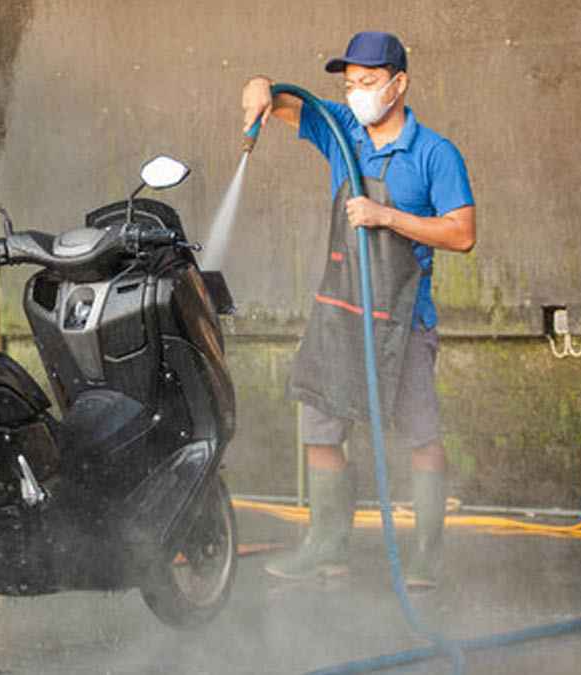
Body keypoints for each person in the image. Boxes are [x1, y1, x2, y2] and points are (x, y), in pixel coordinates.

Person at [240, 31, 476, 589]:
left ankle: (426, 553)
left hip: (402, 318)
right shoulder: (343, 131)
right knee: (320, 428)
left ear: (399, 84)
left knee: (421, 435)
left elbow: (462, 234)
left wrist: (385, 216)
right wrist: (257, 91)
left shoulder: (434, 154)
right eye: (349, 84)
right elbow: (278, 98)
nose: (358, 94)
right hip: (340, 308)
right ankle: (327, 548)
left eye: (369, 83)